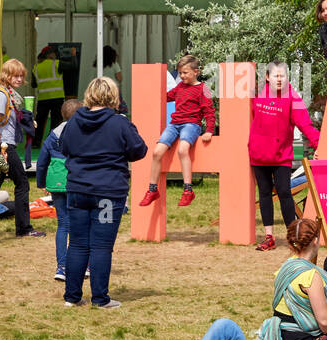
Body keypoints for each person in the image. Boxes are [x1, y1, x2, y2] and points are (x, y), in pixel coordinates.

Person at [58, 76, 148, 308]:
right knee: (101, 245)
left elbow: (64, 147)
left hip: (78, 189)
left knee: (77, 243)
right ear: (114, 97)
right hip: (107, 193)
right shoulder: (119, 123)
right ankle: (100, 298)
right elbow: (139, 150)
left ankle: (72, 297)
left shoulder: (75, 120)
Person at [249, 61, 320, 251]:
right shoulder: (256, 96)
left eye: (283, 76)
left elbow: (305, 124)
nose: (279, 79)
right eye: (276, 76)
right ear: (267, 77)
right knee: (264, 194)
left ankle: (293, 237)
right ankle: (269, 237)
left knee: (284, 193)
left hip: (281, 156)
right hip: (258, 155)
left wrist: (318, 144)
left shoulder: (292, 97)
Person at [139, 54, 214, 208]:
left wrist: (209, 131)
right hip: (174, 124)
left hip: (191, 125)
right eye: (180, 73)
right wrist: (154, 81)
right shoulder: (180, 87)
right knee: (157, 152)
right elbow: (164, 97)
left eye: (185, 72)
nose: (182, 76)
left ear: (196, 72)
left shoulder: (203, 89)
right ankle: (152, 189)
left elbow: (209, 112)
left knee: (182, 149)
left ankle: (188, 189)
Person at [0, 58, 42, 238]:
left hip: (3, 145)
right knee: (22, 184)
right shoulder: (1, 95)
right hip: (3, 146)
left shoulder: (10, 95)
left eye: (21, 76)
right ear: (6, 76)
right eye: (15, 75)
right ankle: (24, 228)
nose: (19, 79)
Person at [35, 97, 81, 282]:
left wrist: (41, 182)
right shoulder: (80, 132)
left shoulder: (53, 133)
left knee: (63, 224)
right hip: (74, 180)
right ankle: (83, 265)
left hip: (55, 180)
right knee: (78, 224)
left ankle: (61, 267)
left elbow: (42, 161)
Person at [32, 45, 65, 138]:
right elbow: (74, 65)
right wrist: (74, 55)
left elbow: (33, 85)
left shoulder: (36, 67)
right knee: (56, 121)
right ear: (50, 54)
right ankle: (53, 139)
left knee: (40, 120)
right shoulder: (57, 63)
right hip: (57, 97)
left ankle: (36, 142)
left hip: (43, 97)